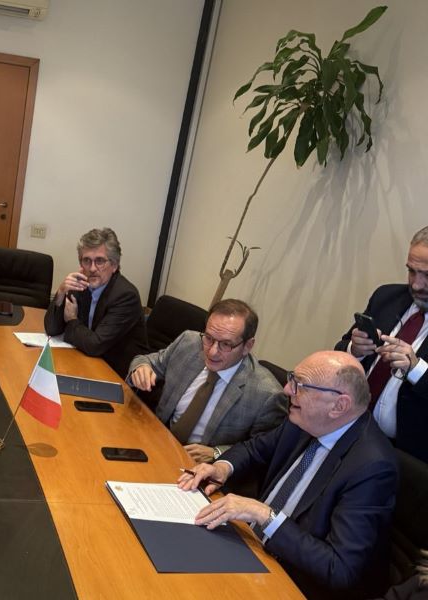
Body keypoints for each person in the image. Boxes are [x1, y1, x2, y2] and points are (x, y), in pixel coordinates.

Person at [179, 351, 398, 599]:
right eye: (292, 379)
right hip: (249, 545)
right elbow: (255, 449)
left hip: (292, 580)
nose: (286, 390)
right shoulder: (303, 419)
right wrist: (222, 467)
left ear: (339, 406)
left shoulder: (372, 467)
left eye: (300, 385)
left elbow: (339, 568)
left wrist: (264, 515)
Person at [128, 299, 286, 464]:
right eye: (209, 338)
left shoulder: (267, 396)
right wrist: (140, 368)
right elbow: (148, 361)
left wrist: (217, 453)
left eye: (226, 344)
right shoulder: (189, 342)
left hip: (198, 467)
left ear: (247, 346)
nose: (212, 352)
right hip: (155, 438)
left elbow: (262, 450)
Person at [335, 226, 428, 462]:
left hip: (404, 456)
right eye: (412, 271)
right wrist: (354, 350)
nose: (416, 284)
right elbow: (338, 352)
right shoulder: (386, 296)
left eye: (427, 275)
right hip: (344, 427)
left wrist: (416, 369)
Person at [43, 228, 148, 378]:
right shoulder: (82, 284)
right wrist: (60, 293)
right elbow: (52, 329)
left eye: (100, 261)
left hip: (117, 373)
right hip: (87, 361)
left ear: (114, 265)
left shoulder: (125, 296)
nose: (92, 268)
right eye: (87, 260)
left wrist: (72, 320)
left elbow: (95, 345)